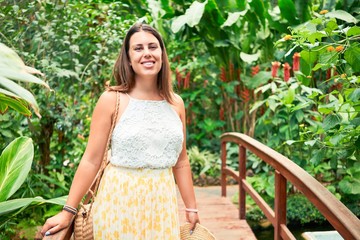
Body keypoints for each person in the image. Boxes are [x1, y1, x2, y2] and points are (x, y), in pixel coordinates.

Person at [41, 22, 200, 239]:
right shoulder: (111, 100)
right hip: (118, 204)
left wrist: (191, 208)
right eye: (138, 48)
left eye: (153, 47)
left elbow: (181, 161)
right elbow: (91, 159)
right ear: (128, 58)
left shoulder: (176, 103)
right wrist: (68, 211)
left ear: (162, 53)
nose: (147, 53)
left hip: (163, 206)